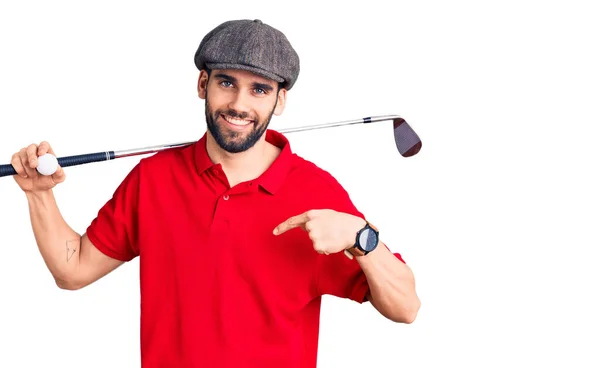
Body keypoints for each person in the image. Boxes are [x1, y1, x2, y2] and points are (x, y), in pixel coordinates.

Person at [10, 19, 420, 367]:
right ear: (203, 84)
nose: (239, 104)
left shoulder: (315, 190)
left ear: (280, 100)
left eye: (259, 89)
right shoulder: (153, 178)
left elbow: (406, 308)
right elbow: (73, 271)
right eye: (227, 82)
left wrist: (361, 237)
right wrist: (38, 195)